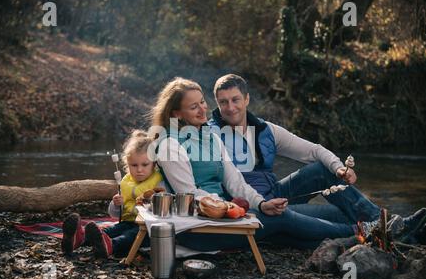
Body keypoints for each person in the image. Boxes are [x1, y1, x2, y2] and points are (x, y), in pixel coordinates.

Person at [149, 77, 393, 251]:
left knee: (314, 220)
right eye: (194, 106)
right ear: (176, 114)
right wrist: (231, 208)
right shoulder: (171, 144)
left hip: (232, 214)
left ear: (247, 99)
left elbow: (235, 181)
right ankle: (368, 233)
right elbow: (188, 193)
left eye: (203, 102)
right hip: (199, 227)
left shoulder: (211, 137)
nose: (204, 109)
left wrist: (262, 204)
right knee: (283, 221)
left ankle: (380, 226)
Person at [208, 73, 426, 245]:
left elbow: (313, 150)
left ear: (246, 99)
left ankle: (391, 227)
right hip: (249, 207)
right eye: (223, 102)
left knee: (322, 171)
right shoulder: (209, 135)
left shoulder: (266, 130)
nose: (230, 107)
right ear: (217, 104)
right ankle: (398, 231)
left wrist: (339, 169)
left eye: (235, 99)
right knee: (341, 215)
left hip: (276, 194)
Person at [61, 130, 165, 258]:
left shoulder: (159, 182)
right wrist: (116, 204)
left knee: (129, 236)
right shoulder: (126, 181)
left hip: (147, 228)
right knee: (110, 230)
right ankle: (78, 239)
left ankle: (111, 246)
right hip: (127, 222)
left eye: (144, 165)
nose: (139, 170)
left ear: (154, 164)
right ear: (127, 164)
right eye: (134, 165)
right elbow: (114, 214)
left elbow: (165, 207)